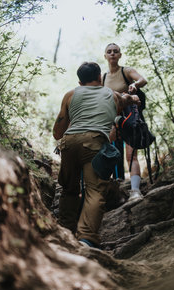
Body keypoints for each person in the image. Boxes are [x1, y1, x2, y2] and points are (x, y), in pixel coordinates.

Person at [53, 62, 140, 248]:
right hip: (94, 143)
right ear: (100, 78)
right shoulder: (111, 94)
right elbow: (125, 99)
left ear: (79, 81)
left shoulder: (70, 94)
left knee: (69, 189)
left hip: (69, 143)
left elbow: (57, 132)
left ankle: (65, 233)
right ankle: (86, 239)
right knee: (95, 191)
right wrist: (133, 100)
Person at [103, 42, 148, 201]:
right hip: (111, 119)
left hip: (130, 118)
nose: (113, 53)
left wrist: (134, 85)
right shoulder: (103, 77)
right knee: (107, 153)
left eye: (116, 51)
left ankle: (135, 191)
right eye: (109, 51)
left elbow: (143, 79)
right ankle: (109, 189)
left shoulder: (126, 71)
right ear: (105, 56)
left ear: (120, 55)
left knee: (131, 155)